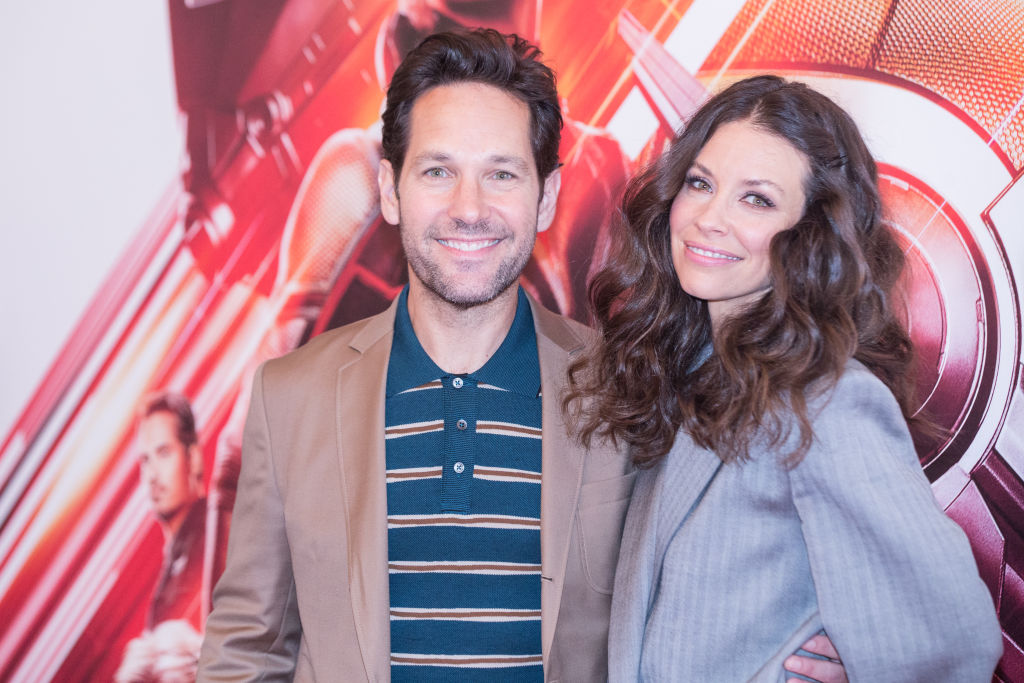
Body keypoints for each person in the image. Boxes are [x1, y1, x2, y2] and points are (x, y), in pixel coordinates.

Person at [197, 32, 844, 682]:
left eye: (501, 174)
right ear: (390, 190)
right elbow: (245, 652)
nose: (468, 208)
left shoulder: (630, 386)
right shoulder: (291, 397)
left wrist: (799, 657)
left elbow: (700, 599)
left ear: (546, 197)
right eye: (438, 171)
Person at [566, 74, 1003, 681]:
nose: (709, 219)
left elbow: (951, 646)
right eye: (701, 183)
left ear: (809, 234)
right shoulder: (677, 384)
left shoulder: (831, 403)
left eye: (757, 199)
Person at [137, 391, 207, 631]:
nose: (153, 475)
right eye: (146, 460)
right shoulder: (174, 564)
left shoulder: (217, 534)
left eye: (164, 453)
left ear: (194, 458)